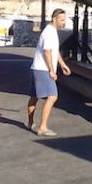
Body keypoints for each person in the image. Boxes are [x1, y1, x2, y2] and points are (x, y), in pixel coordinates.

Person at [27, 8, 71, 136]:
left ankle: (30, 123)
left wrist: (62, 65)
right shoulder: (49, 32)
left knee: (34, 96)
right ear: (54, 19)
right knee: (52, 96)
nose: (63, 22)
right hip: (43, 69)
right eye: (61, 20)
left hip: (37, 68)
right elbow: (47, 51)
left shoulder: (52, 31)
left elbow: (54, 51)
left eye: (64, 20)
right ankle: (42, 127)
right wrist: (51, 70)